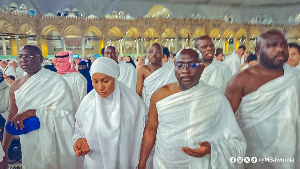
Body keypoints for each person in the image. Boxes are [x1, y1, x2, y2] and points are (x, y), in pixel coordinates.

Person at [138, 49, 246, 169]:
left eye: (193, 65)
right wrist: (142, 163)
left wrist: (213, 148)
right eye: (179, 65)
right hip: (164, 163)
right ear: (174, 69)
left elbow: (236, 140)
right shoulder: (159, 95)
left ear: (201, 69)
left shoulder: (216, 98)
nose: (185, 70)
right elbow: (151, 130)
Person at [225, 29, 300, 169]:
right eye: (272, 45)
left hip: (292, 149)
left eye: (283, 45)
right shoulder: (239, 80)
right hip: (255, 153)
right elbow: (225, 122)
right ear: (258, 50)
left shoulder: (294, 76)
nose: (280, 49)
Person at [0, 45, 78, 169]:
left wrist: (33, 112)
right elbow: (11, 119)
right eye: (20, 56)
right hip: (29, 143)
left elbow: (69, 113)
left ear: (41, 59)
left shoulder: (56, 81)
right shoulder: (15, 86)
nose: (23, 60)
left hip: (54, 144)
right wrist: (3, 153)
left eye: (29, 56)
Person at [73, 57, 147, 169]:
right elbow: (79, 128)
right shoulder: (87, 104)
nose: (100, 87)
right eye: (95, 81)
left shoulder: (134, 104)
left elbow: (146, 135)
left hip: (125, 162)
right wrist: (80, 139)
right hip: (95, 162)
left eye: (105, 81)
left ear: (115, 78)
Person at [136, 43, 177, 108]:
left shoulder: (170, 69)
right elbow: (138, 94)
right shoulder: (143, 70)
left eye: (157, 52)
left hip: (167, 106)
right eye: (151, 52)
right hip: (149, 107)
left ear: (162, 55)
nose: (154, 55)